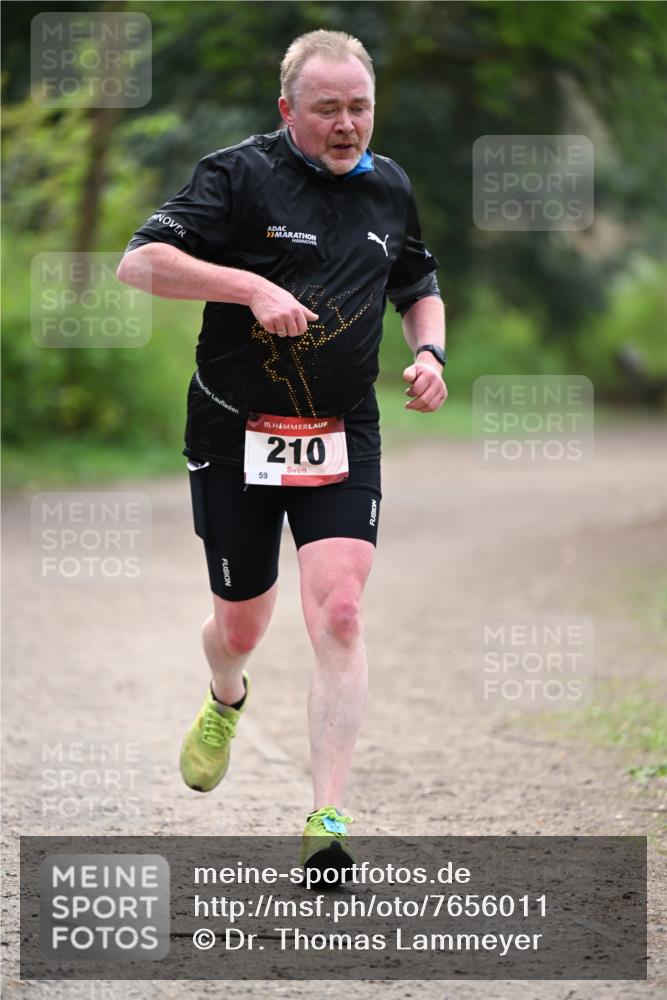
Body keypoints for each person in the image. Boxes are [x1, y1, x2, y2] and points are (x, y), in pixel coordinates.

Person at [118, 28, 446, 874]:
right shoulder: (236, 176)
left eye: (360, 107)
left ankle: (326, 819)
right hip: (234, 429)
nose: (347, 125)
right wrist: (251, 285)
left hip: (340, 429)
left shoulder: (389, 186)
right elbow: (139, 264)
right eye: (327, 108)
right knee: (242, 622)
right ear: (286, 110)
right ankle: (226, 697)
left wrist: (428, 353)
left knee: (339, 609)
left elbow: (417, 283)